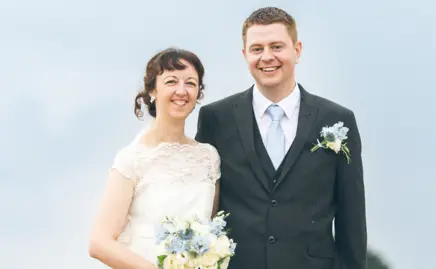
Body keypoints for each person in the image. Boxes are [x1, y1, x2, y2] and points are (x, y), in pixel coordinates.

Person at [196, 7, 367, 269]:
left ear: (297, 51)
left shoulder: (337, 120)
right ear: (244, 55)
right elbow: (201, 203)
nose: (267, 57)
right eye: (256, 49)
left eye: (277, 46)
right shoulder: (215, 119)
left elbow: (351, 219)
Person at [88, 48, 221, 269]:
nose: (181, 91)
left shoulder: (209, 158)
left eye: (190, 83)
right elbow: (99, 243)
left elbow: (212, 228)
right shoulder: (132, 158)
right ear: (152, 90)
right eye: (171, 82)